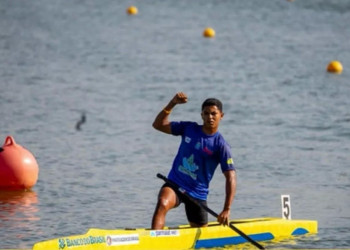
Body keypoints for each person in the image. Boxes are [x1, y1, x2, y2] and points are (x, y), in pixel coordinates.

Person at [151, 92, 236, 229]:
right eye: (206, 113)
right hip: (175, 184)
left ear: (221, 116)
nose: (210, 117)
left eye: (214, 113)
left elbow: (230, 177)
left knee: (200, 233)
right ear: (201, 115)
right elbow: (158, 125)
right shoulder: (188, 128)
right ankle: (153, 241)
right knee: (162, 203)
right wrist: (172, 103)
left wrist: (226, 209)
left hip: (197, 195)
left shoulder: (221, 146)